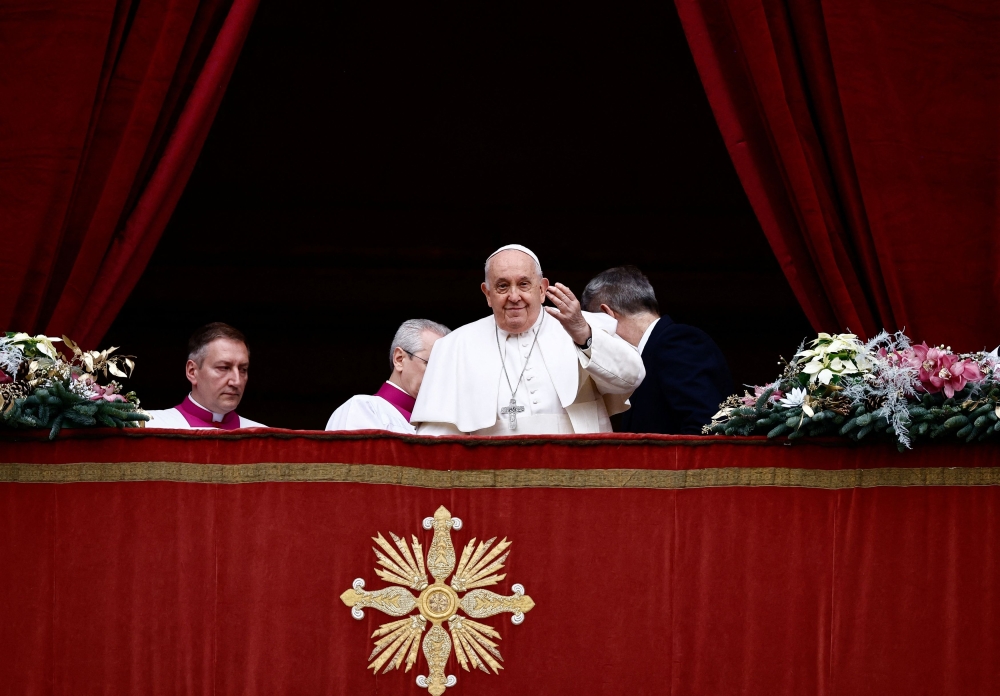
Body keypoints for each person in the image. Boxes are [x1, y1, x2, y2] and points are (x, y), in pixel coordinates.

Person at [411, 244, 645, 435]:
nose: (514, 296)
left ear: (542, 289)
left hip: (576, 471)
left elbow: (632, 377)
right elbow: (437, 435)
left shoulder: (582, 326)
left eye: (524, 284)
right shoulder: (456, 345)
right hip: (494, 478)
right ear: (487, 294)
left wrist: (582, 334)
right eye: (502, 286)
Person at [581, 265, 732, 434]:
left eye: (595, 329)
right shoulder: (649, 354)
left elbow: (704, 428)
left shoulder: (677, 342)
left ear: (607, 316)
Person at [326, 319, 451, 434]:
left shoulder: (446, 425)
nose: (440, 376)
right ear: (399, 359)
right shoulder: (363, 410)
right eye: (431, 364)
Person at [144, 323, 266, 429]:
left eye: (243, 369)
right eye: (224, 368)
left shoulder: (264, 438)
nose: (237, 381)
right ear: (192, 372)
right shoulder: (150, 426)